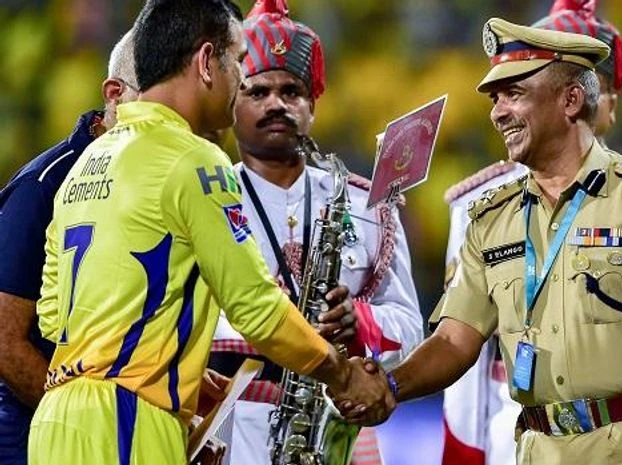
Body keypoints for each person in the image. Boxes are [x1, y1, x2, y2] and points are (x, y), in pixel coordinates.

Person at [347, 18, 622, 465]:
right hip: (540, 448)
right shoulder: (491, 220)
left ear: (570, 99)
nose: (497, 113)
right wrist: (390, 385)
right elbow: (453, 341)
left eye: (513, 94)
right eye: (495, 99)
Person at [28, 1, 392, 464]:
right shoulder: (194, 159)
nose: (240, 79)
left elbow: (53, 316)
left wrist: (177, 369)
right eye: (237, 61)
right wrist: (342, 375)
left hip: (55, 424)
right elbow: (255, 307)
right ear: (205, 62)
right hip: (128, 422)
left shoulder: (87, 166)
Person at [209, 1, 423, 464]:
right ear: (231, 103)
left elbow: (410, 331)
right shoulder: (204, 197)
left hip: (334, 429)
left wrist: (360, 323)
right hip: (225, 431)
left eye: (292, 91)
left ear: (313, 106)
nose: (276, 104)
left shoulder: (367, 205)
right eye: (257, 91)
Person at [440, 2, 622, 463]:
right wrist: (464, 454)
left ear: (610, 102)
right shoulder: (479, 207)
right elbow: (464, 350)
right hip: (517, 432)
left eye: (599, 86)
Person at [0, 29, 138, 465]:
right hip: (25, 437)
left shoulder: (144, 177)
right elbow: (5, 342)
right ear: (114, 96)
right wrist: (78, 425)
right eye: (151, 101)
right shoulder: (42, 187)